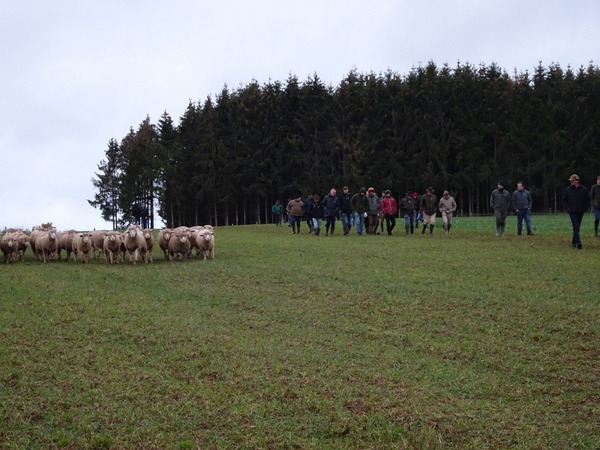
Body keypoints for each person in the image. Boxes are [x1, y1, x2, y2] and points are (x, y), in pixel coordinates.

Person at [562, 174, 589, 249]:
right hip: (572, 211)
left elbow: (587, 200)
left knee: (577, 227)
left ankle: (574, 242)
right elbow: (564, 199)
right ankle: (578, 242)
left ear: (577, 181)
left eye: (572, 181)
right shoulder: (568, 190)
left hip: (580, 211)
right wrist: (567, 207)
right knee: (576, 226)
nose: (571, 182)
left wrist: (584, 208)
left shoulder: (584, 190)